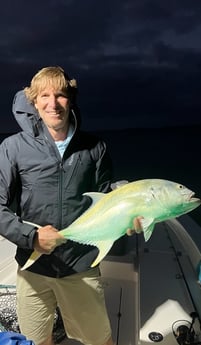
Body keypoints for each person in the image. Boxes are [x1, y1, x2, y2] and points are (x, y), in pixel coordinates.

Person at [0, 66, 142, 345]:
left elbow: (103, 199)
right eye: (45, 95)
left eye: (61, 95)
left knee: (99, 340)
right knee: (36, 340)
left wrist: (126, 217)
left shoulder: (95, 148)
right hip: (34, 269)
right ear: (34, 102)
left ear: (71, 100)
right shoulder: (12, 147)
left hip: (80, 263)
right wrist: (32, 237)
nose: (53, 103)